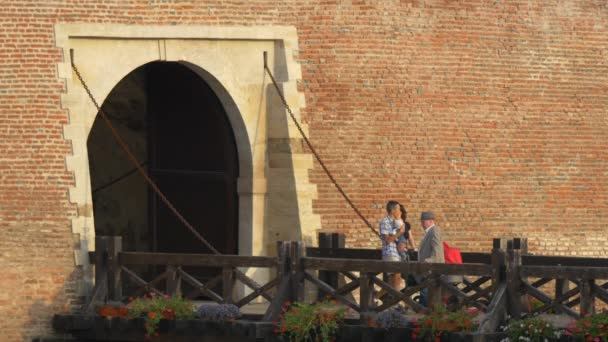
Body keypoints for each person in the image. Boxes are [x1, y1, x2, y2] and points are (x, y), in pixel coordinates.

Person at [417, 211, 445, 306]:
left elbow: (437, 247)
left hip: (431, 268)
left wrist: (432, 259)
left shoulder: (434, 230)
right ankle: (424, 312)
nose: (422, 223)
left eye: (423, 221)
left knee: (427, 292)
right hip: (426, 269)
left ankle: (426, 314)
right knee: (425, 291)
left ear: (430, 221)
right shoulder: (429, 232)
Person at [379, 200, 406, 291]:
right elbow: (388, 240)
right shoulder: (385, 221)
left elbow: (402, 236)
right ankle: (394, 301)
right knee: (395, 278)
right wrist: (400, 232)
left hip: (397, 253)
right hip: (390, 252)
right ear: (393, 210)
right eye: (398, 208)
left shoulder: (396, 221)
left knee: (395, 279)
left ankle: (388, 300)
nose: (400, 210)